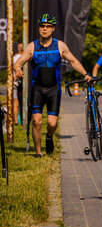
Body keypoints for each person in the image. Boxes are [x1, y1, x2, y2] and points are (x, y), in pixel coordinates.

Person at [14, 14, 92, 157]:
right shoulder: (32, 47)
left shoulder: (60, 46)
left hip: (53, 89)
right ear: (39, 28)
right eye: (42, 26)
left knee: (52, 123)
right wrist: (18, 69)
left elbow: (73, 61)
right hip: (37, 88)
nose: (44, 29)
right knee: (36, 121)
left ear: (53, 28)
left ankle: (49, 137)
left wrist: (86, 74)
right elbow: (18, 63)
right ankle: (38, 152)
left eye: (48, 27)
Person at [13, 43, 24, 125]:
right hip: (22, 82)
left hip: (14, 81)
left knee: (15, 102)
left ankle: (16, 121)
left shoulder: (13, 58)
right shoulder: (24, 57)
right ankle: (23, 120)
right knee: (23, 101)